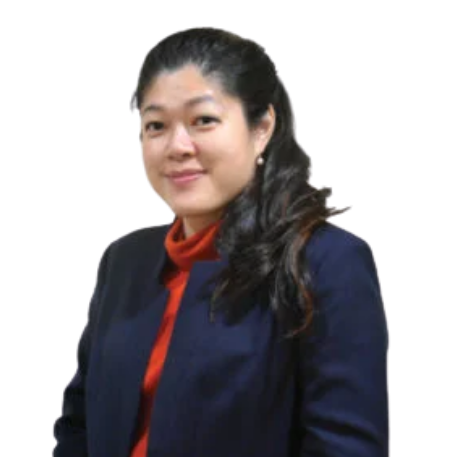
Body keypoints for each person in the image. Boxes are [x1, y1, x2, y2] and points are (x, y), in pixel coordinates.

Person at [52, 26, 390, 457]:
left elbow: (346, 447)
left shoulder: (327, 262)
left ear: (261, 127)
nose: (177, 146)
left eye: (203, 120)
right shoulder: (123, 260)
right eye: (156, 125)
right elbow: (77, 424)